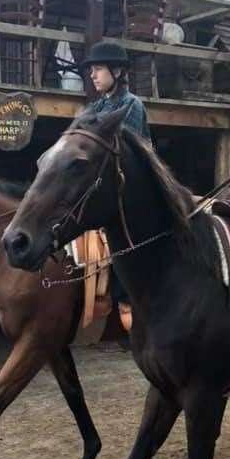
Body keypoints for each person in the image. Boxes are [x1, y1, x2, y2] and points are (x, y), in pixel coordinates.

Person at [82, 41, 151, 331]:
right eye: (92, 70)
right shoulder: (95, 107)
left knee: (129, 272)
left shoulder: (131, 105)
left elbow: (124, 154)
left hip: (132, 191)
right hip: (106, 187)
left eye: (98, 69)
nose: (93, 76)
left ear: (117, 70)